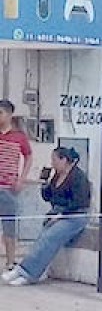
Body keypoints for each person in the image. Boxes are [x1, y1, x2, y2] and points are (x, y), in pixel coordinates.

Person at [2, 147, 90, 286]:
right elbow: (48, 197)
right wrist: (44, 184)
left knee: (50, 237)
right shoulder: (56, 176)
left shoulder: (78, 177)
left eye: (54, 160)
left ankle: (27, 273)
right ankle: (33, 270)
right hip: (58, 213)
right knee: (42, 238)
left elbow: (80, 201)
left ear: (64, 160)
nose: (52, 163)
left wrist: (62, 214)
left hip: (74, 216)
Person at [0, 99, 32, 269]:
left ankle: (10, 260)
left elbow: (28, 156)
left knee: (9, 226)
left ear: (9, 115)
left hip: (8, 187)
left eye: (1, 113)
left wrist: (22, 178)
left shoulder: (19, 137)